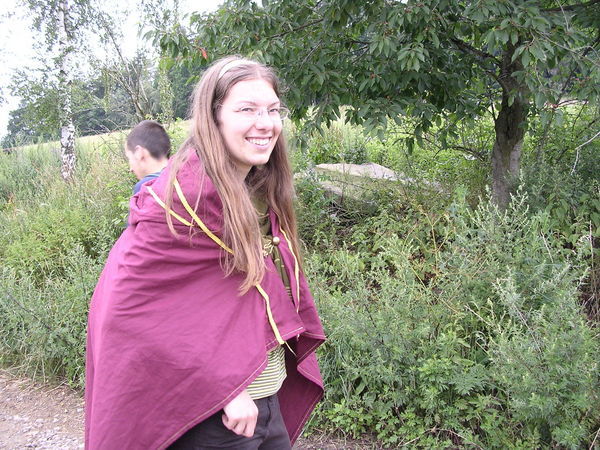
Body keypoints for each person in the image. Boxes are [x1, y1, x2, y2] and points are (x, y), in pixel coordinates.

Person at [85, 56, 326, 450]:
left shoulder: (255, 188)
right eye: (246, 109)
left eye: (272, 110)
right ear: (213, 118)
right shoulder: (182, 197)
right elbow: (127, 312)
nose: (265, 123)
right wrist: (226, 388)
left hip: (264, 394)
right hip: (215, 413)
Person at [124, 119, 171, 195]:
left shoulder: (145, 188)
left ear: (139, 153)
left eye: (129, 158)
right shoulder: (183, 175)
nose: (131, 169)